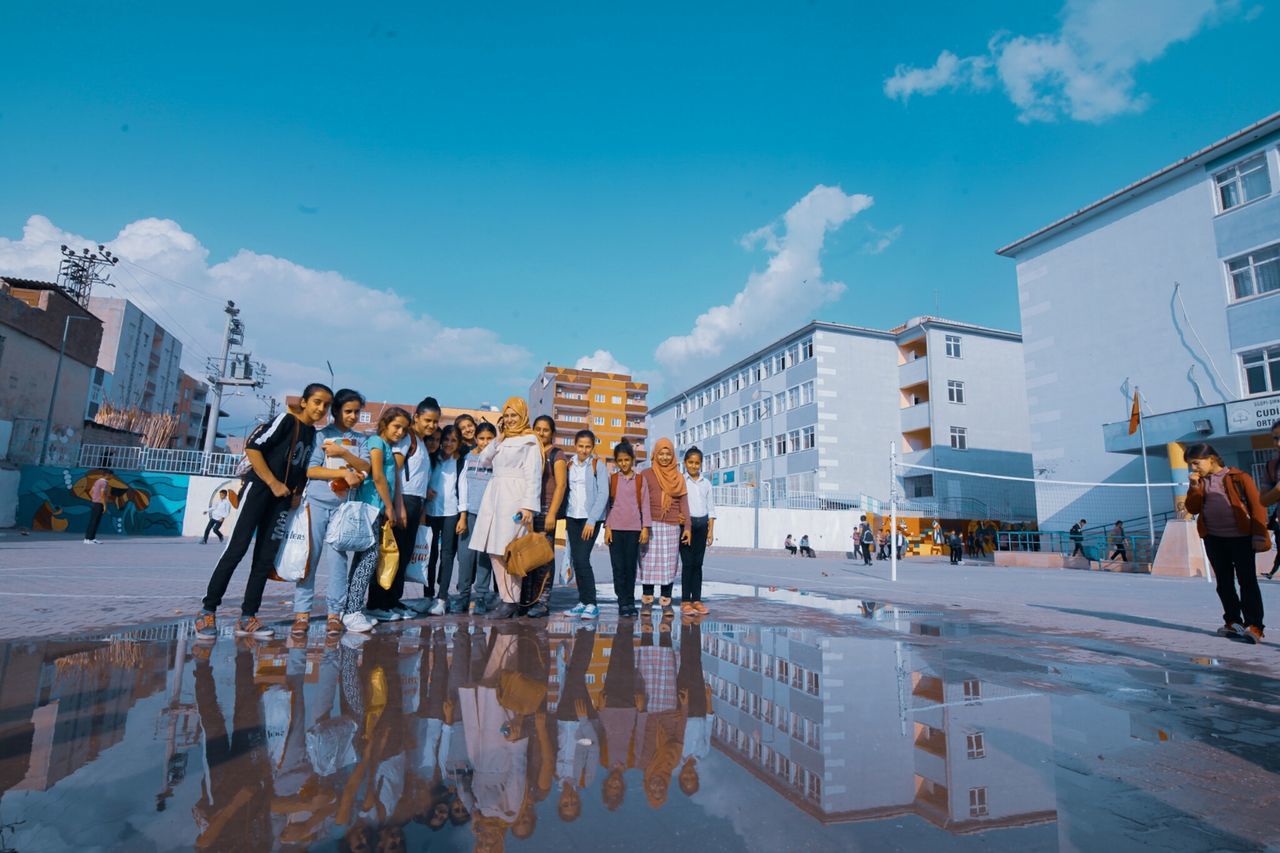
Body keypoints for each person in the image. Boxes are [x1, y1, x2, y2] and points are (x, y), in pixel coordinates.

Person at [197, 384, 330, 641]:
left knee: (264, 559)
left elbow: (301, 468)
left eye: (325, 405)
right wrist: (272, 482)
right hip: (258, 491)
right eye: (316, 402)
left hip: (281, 500)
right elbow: (253, 448)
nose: (321, 408)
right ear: (303, 402)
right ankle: (208, 610)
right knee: (236, 550)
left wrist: (296, 493)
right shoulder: (286, 420)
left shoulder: (312, 433)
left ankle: (248, 616)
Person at [293, 388, 371, 639]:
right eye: (348, 411)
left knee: (338, 561)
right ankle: (301, 614)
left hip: (344, 508)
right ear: (336, 411)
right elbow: (311, 470)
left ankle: (334, 614)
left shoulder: (362, 440)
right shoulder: (321, 437)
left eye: (357, 412)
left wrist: (346, 458)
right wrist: (342, 473)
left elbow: (366, 467)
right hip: (317, 503)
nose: (353, 416)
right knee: (311, 557)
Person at [1185, 443, 1268, 644]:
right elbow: (1193, 508)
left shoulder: (1239, 477)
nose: (1193, 468)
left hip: (1241, 539)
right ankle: (1233, 621)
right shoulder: (1200, 482)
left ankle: (1254, 626)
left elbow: (1258, 507)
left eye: (1196, 463)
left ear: (1211, 458)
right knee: (1224, 583)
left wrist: (1259, 535)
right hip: (1214, 539)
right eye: (1190, 464)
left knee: (1247, 581)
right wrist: (1195, 487)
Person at [468, 398, 544, 619]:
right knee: (493, 550)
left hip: (515, 496)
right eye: (507, 415)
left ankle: (512, 600)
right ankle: (506, 598)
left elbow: (533, 475)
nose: (510, 420)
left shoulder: (530, 440)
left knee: (510, 551)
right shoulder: (502, 440)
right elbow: (483, 460)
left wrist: (529, 506)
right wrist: (498, 439)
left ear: (522, 416)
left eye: (514, 416)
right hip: (494, 495)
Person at [338, 407, 410, 633]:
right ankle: (352, 612)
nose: (400, 432)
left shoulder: (388, 446)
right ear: (385, 424)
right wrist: (389, 507)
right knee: (368, 557)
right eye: (396, 426)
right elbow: (377, 475)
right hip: (370, 506)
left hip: (377, 508)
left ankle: (351, 607)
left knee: (366, 558)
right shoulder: (376, 442)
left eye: (404, 429)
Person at [377, 398, 436, 617]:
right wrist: (398, 506)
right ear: (417, 417)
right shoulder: (407, 439)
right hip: (404, 501)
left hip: (415, 503)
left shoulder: (420, 442)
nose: (431, 425)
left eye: (435, 422)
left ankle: (393, 600)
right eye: (428, 420)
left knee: (403, 555)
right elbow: (394, 472)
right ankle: (379, 604)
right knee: (392, 555)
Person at [638, 438, 691, 613]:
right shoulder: (646, 474)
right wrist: (643, 525)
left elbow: (684, 503)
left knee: (669, 562)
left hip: (672, 525)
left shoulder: (678, 477)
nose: (665, 457)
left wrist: (688, 527)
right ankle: (647, 599)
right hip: (650, 523)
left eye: (668, 453)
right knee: (648, 561)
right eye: (661, 453)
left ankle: (666, 601)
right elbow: (641, 501)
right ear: (655, 454)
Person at [418, 424, 465, 617]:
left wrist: (463, 516)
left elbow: (463, 489)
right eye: (445, 439)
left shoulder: (461, 461)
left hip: (451, 513)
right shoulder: (431, 458)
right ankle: (428, 595)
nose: (448, 444)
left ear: (459, 443)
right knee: (430, 555)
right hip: (430, 511)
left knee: (447, 555)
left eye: (453, 440)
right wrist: (425, 493)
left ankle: (442, 598)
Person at [523, 415, 568, 618]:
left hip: (546, 510)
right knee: (527, 557)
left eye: (545, 430)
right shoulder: (530, 451)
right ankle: (527, 600)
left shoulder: (556, 454)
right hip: (527, 510)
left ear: (552, 433)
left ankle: (542, 601)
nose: (541, 433)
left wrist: (552, 514)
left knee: (544, 558)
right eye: (538, 429)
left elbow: (561, 485)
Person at [564, 430, 610, 620]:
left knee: (582, 559)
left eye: (588, 446)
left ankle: (591, 603)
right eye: (581, 446)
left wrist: (592, 520)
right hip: (572, 517)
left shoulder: (597, 465)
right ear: (575, 445)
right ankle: (582, 602)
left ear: (592, 447)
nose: (584, 450)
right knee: (576, 559)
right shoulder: (569, 465)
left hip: (589, 519)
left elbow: (603, 494)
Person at [453, 421, 498, 614]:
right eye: (482, 438)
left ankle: (480, 597)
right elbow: (463, 487)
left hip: (489, 517)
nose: (485, 442)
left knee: (484, 559)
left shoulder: (498, 460)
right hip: (469, 516)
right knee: (465, 558)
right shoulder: (468, 458)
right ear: (476, 439)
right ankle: (463, 596)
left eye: (490, 438)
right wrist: (462, 516)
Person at [605, 441, 649, 617]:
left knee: (631, 567)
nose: (623, 463)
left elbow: (645, 505)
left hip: (634, 530)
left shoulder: (640, 480)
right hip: (615, 529)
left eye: (626, 460)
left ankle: (630, 602)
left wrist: (645, 528)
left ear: (632, 460)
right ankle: (622, 602)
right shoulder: (613, 479)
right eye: (620, 460)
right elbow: (607, 506)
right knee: (618, 567)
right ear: (616, 462)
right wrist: (607, 528)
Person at [679, 447, 715, 615]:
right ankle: (685, 601)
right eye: (690, 462)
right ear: (685, 463)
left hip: (702, 526)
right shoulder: (681, 481)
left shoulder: (706, 483)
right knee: (687, 564)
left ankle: (697, 600)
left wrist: (710, 531)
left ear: (701, 464)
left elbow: (711, 509)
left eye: (697, 463)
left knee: (698, 565)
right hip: (686, 527)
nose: (693, 466)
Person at [1255, 418, 1280, 580]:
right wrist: (1278, 489)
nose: (1278, 443)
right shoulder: (1272, 466)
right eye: (1276, 438)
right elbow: (1264, 500)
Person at [84, 471, 110, 544]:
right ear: (107, 475)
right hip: (99, 504)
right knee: (95, 521)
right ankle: (89, 539)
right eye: (111, 475)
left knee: (93, 521)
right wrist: (104, 505)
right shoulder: (104, 482)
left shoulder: (97, 481)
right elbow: (102, 494)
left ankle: (89, 538)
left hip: (95, 503)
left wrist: (94, 498)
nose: (111, 477)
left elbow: (90, 492)